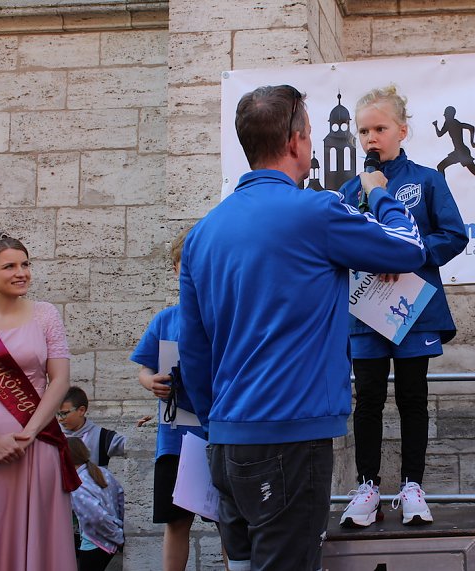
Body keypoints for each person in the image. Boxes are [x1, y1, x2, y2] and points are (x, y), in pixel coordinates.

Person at [178, 84, 426, 571]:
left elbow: (194, 350)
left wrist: (217, 424)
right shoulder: (317, 210)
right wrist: (382, 196)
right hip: (290, 438)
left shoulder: (203, 232)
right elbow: (408, 247)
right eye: (310, 134)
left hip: (226, 441)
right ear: (296, 142)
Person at [339, 85, 468, 528]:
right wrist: (371, 260)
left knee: (414, 397)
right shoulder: (349, 190)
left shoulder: (427, 180)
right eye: (363, 130)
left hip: (415, 311)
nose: (371, 137)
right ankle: (367, 486)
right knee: (368, 398)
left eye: (380, 128)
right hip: (367, 313)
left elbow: (454, 236)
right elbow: (338, 246)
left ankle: (413, 486)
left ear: (402, 130)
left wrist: (410, 255)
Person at [0, 231, 80, 571]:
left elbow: (59, 380)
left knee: (43, 540)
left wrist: (29, 432)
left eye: (26, 264)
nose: (22, 272)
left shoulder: (45, 314)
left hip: (39, 443)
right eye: (9, 266)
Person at [130, 227, 208, 571]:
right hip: (174, 441)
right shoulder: (166, 319)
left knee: (229, 523)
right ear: (176, 269)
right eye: (183, 263)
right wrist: (152, 383)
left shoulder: (223, 317)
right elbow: (144, 369)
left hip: (217, 437)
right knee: (176, 522)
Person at [66, 437, 124, 571]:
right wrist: (119, 528)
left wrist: (117, 536)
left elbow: (97, 517)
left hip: (95, 543)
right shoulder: (102, 472)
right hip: (109, 539)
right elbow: (120, 496)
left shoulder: (77, 486)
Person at [58, 387, 126, 468]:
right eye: (57, 414)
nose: (60, 419)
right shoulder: (51, 435)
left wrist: (139, 430)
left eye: (64, 413)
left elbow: (131, 445)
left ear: (81, 410)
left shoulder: (103, 437)